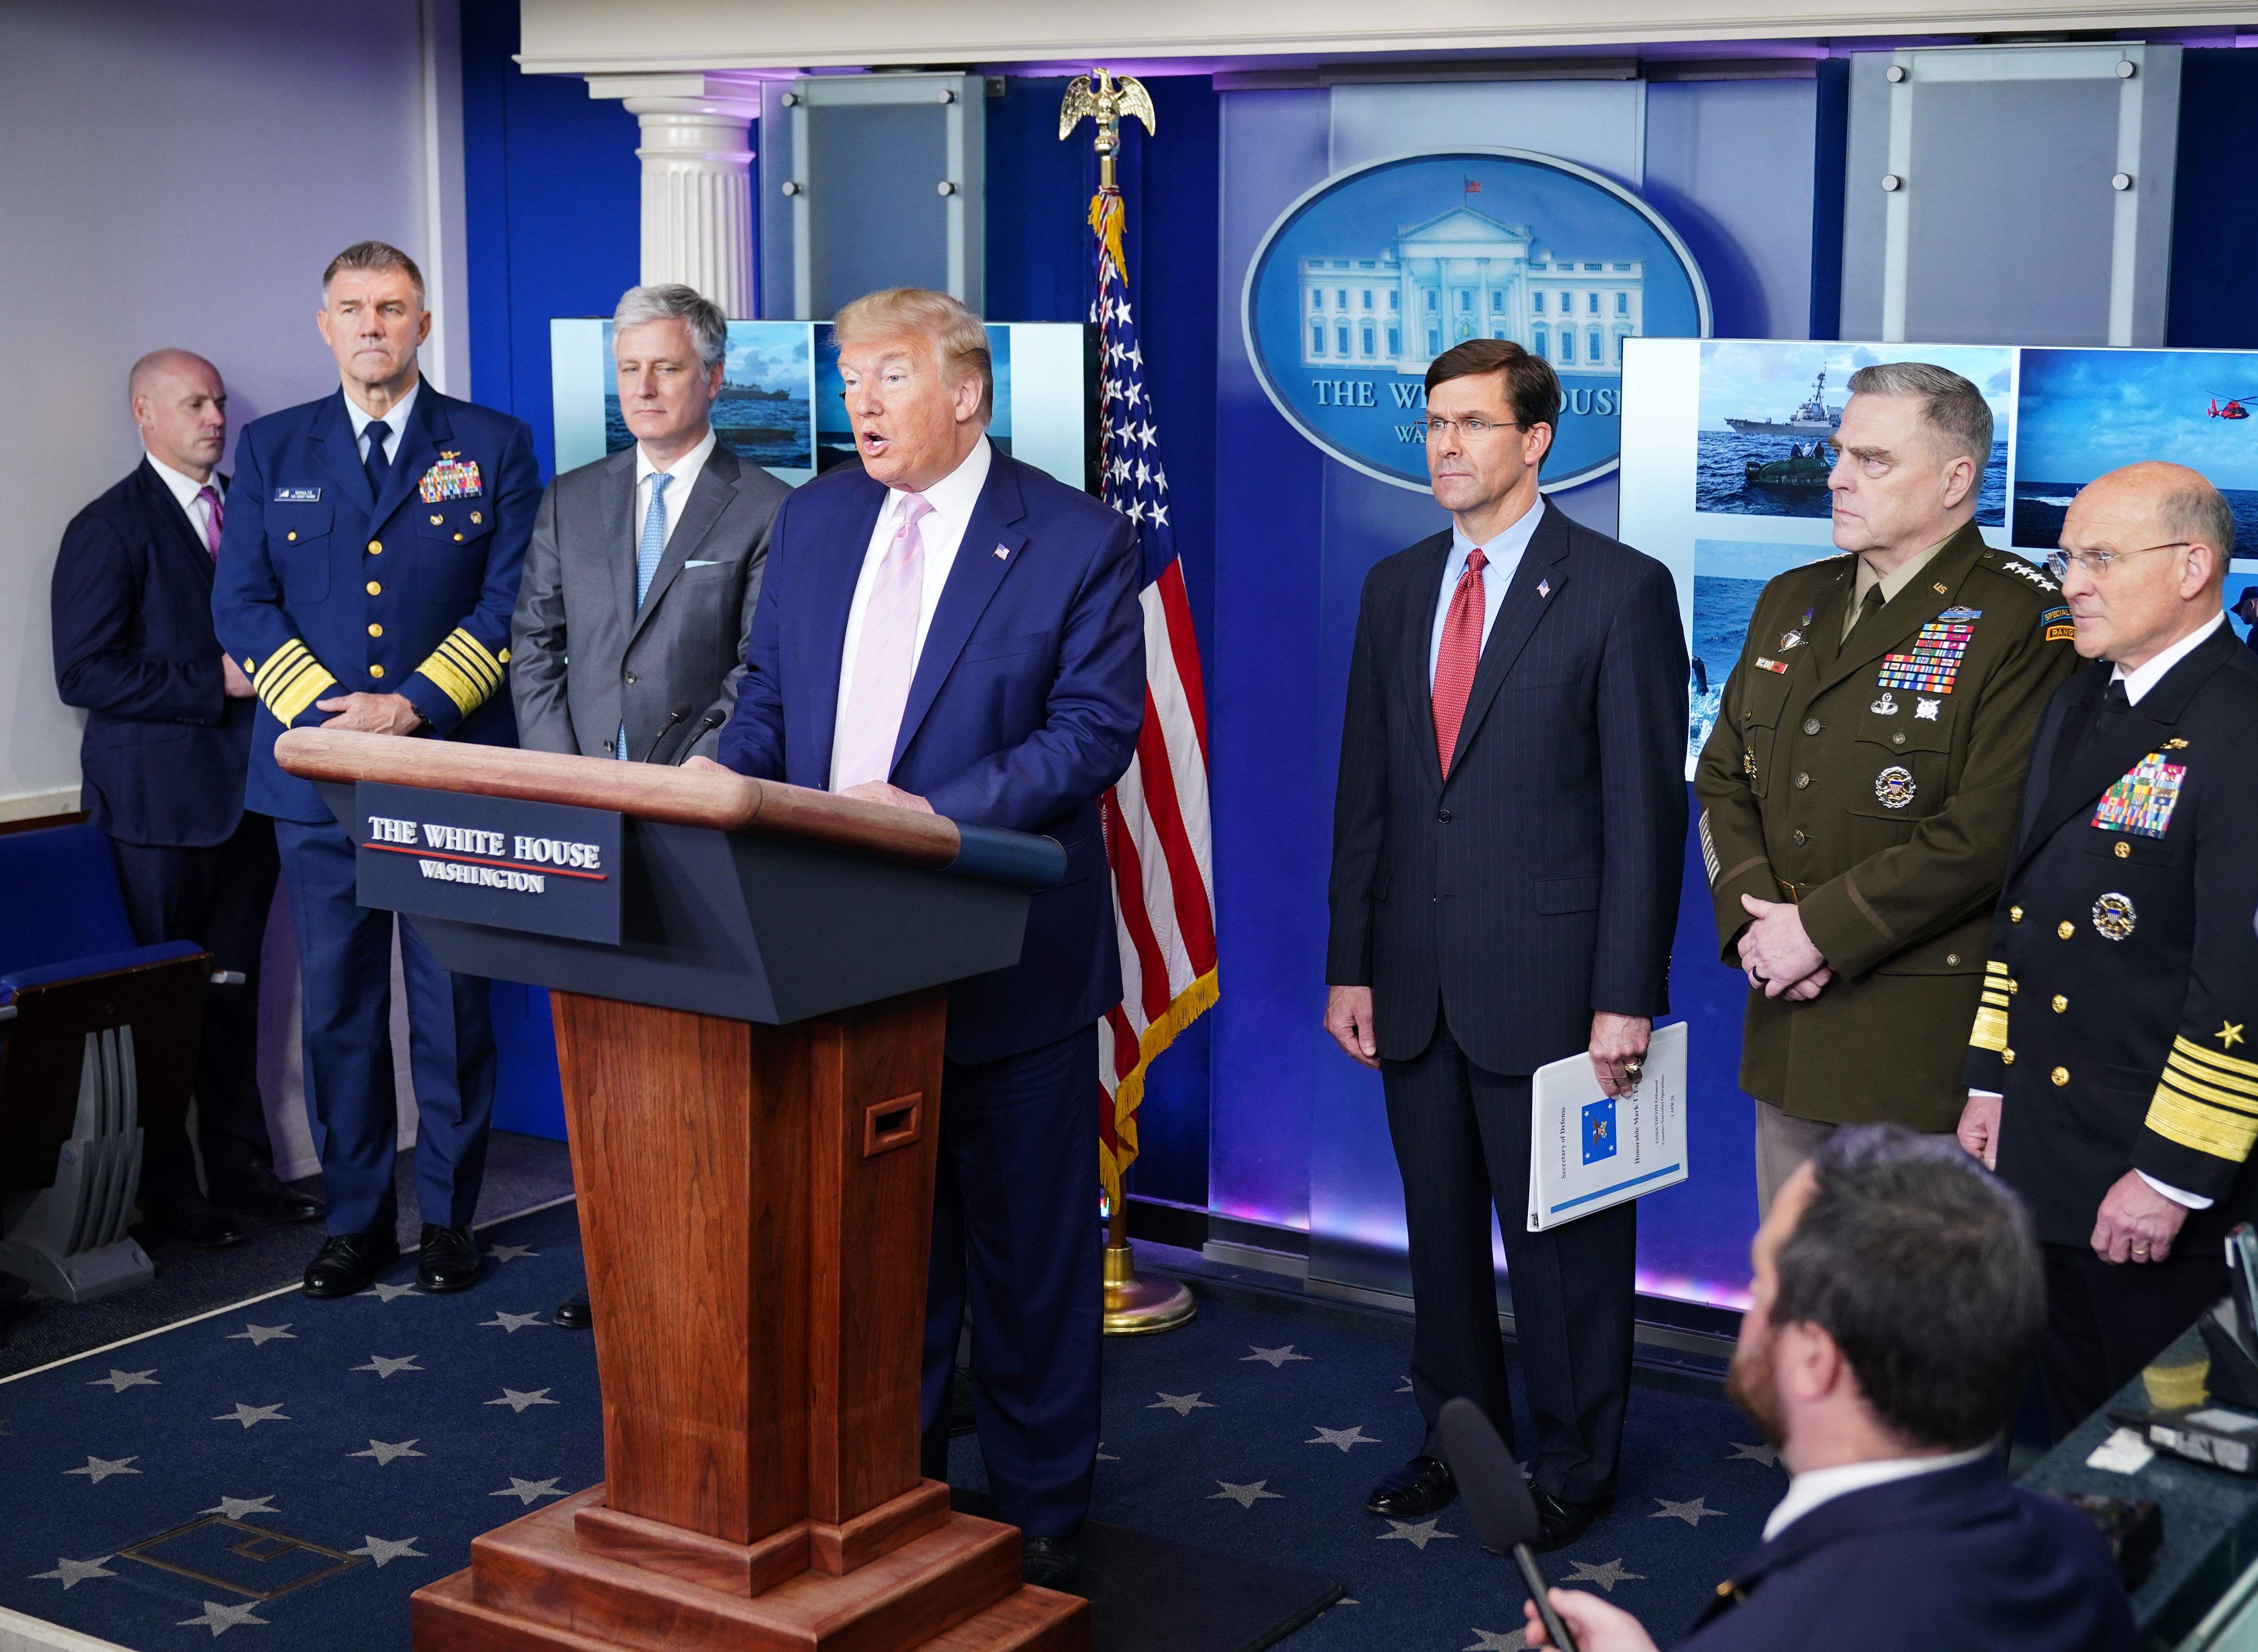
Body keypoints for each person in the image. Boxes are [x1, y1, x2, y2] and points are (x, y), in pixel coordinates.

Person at [695, 286, 1143, 1588]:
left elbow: (1088, 738)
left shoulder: (1072, 538)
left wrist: (928, 816)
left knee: (1028, 1256)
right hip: (834, 958)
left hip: (1005, 956)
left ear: (967, 392)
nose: (862, 405)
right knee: (881, 1253)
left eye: (888, 378)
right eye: (849, 382)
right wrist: (729, 796)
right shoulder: (818, 516)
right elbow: (770, 699)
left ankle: (1047, 1503)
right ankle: (893, 1488)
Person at [1324, 339, 1687, 1548]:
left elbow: (1644, 816)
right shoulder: (1393, 588)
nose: (1445, 446)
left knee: (1569, 1252)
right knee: (1438, 1240)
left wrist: (1624, 996)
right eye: (1433, 424)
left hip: (1554, 990)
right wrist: (1351, 962)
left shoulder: (1619, 590)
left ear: (1536, 442)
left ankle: (1578, 1462)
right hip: (1413, 982)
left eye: (1473, 425)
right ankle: (1459, 1440)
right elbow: (1369, 793)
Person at [212, 241, 539, 1300]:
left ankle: (447, 1220)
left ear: (423, 325)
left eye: (391, 308)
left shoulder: (490, 444)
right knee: (341, 1012)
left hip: (446, 771)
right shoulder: (270, 450)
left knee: (456, 1008)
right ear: (324, 326)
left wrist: (412, 705)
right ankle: (356, 1222)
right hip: (316, 782)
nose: (370, 326)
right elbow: (242, 604)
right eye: (351, 308)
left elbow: (511, 604)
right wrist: (330, 715)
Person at [1694, 361, 2078, 1215]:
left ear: (1955, 479)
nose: (1835, 476)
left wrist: (1818, 934)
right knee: (1797, 1312)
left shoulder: (2028, 620)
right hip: (1788, 1022)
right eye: (1840, 454)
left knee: (1916, 1334)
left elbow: (1987, 830)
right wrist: (1760, 927)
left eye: (1872, 460)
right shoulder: (1791, 600)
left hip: (1917, 1056)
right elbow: (1725, 777)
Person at [1516, 1127, 2134, 1652]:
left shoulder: (1776, 1634)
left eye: (1760, 1289)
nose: (1748, 1315)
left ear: (1816, 1359)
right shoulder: (2075, 1542)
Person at [511, 282, 789, 1333]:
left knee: (697, 1060)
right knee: (604, 1055)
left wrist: (679, 787)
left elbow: (760, 672)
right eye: (629, 369)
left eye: (666, 367)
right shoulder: (568, 499)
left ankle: (702, 1257)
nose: (644, 387)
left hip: (695, 821)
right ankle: (618, 1256)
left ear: (712, 377)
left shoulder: (768, 505)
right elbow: (530, 650)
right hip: (582, 818)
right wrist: (569, 780)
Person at [1959, 462, 2258, 1437]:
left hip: (2157, 1171)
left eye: (2098, 557)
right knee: (2063, 1429)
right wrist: (1990, 1081)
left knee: (2162, 1442)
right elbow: (2027, 905)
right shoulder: (2080, 700)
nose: (2070, 581)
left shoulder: (2240, 721)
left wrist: (2171, 1173)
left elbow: (2238, 981)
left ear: (2192, 567)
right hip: (2047, 1146)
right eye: (2065, 556)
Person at [50, 349, 321, 1247]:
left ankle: (244, 1173)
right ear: (144, 414)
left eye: (218, 401)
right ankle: (169, 1197)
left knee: (235, 995)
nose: (214, 416)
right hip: (155, 814)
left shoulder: (253, 508)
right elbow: (83, 672)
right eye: (194, 403)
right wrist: (215, 680)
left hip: (253, 801)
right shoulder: (108, 527)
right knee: (161, 1010)